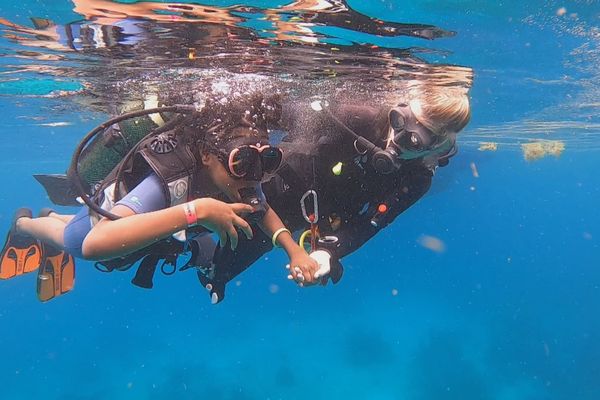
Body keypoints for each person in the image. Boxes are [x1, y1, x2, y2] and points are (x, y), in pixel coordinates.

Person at [0, 94, 319, 301]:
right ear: (207, 154)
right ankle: (25, 225)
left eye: (267, 162)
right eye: (243, 162)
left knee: (95, 242)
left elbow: (261, 209)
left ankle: (51, 216)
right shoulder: (171, 174)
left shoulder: (243, 176)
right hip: (109, 221)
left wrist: (295, 252)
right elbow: (96, 243)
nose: (254, 175)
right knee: (74, 239)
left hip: (144, 231)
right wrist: (199, 210)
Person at [191, 85, 472, 303]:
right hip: (271, 185)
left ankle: (199, 252)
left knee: (217, 274)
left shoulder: (418, 176)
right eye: (399, 121)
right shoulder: (355, 116)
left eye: (414, 138)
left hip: (308, 219)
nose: (397, 139)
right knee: (189, 217)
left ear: (436, 146)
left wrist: (329, 253)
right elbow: (271, 112)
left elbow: (373, 223)